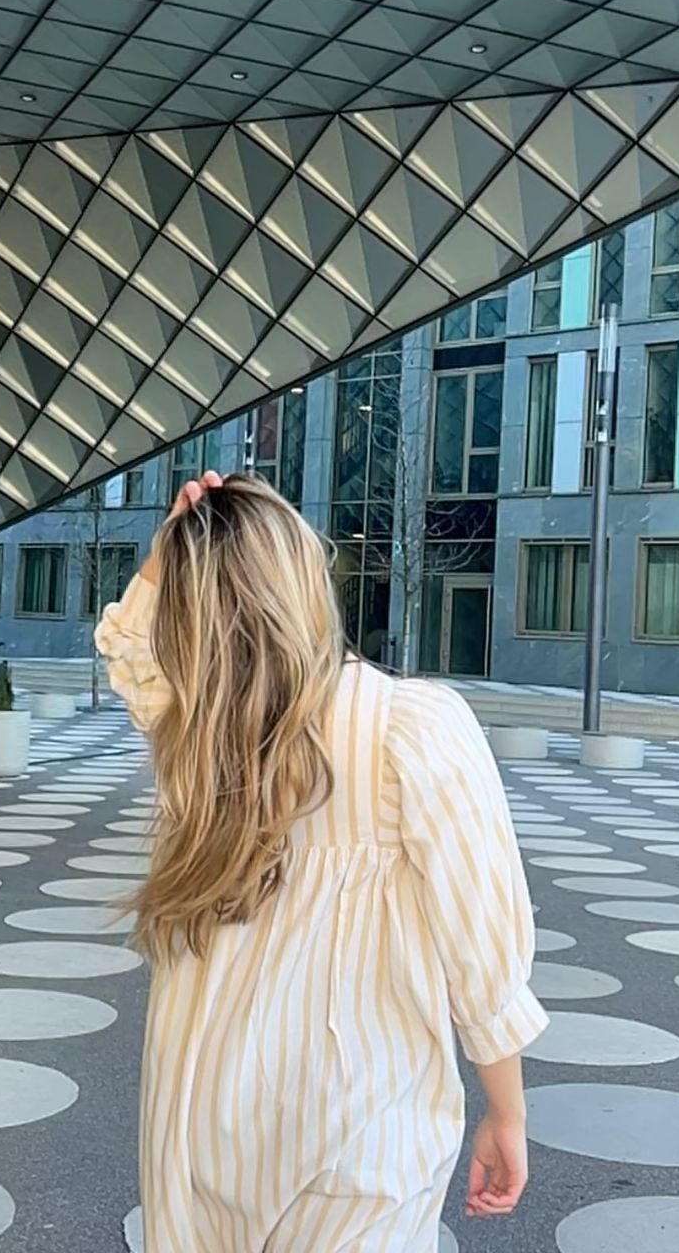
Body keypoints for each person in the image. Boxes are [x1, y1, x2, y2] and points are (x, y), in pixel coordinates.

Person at [95, 471, 547, 1253]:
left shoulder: (197, 732)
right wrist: (507, 1111)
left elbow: (126, 647)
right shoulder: (411, 726)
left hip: (199, 1112)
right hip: (360, 1122)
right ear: (306, 581)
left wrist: (177, 545)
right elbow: (484, 944)